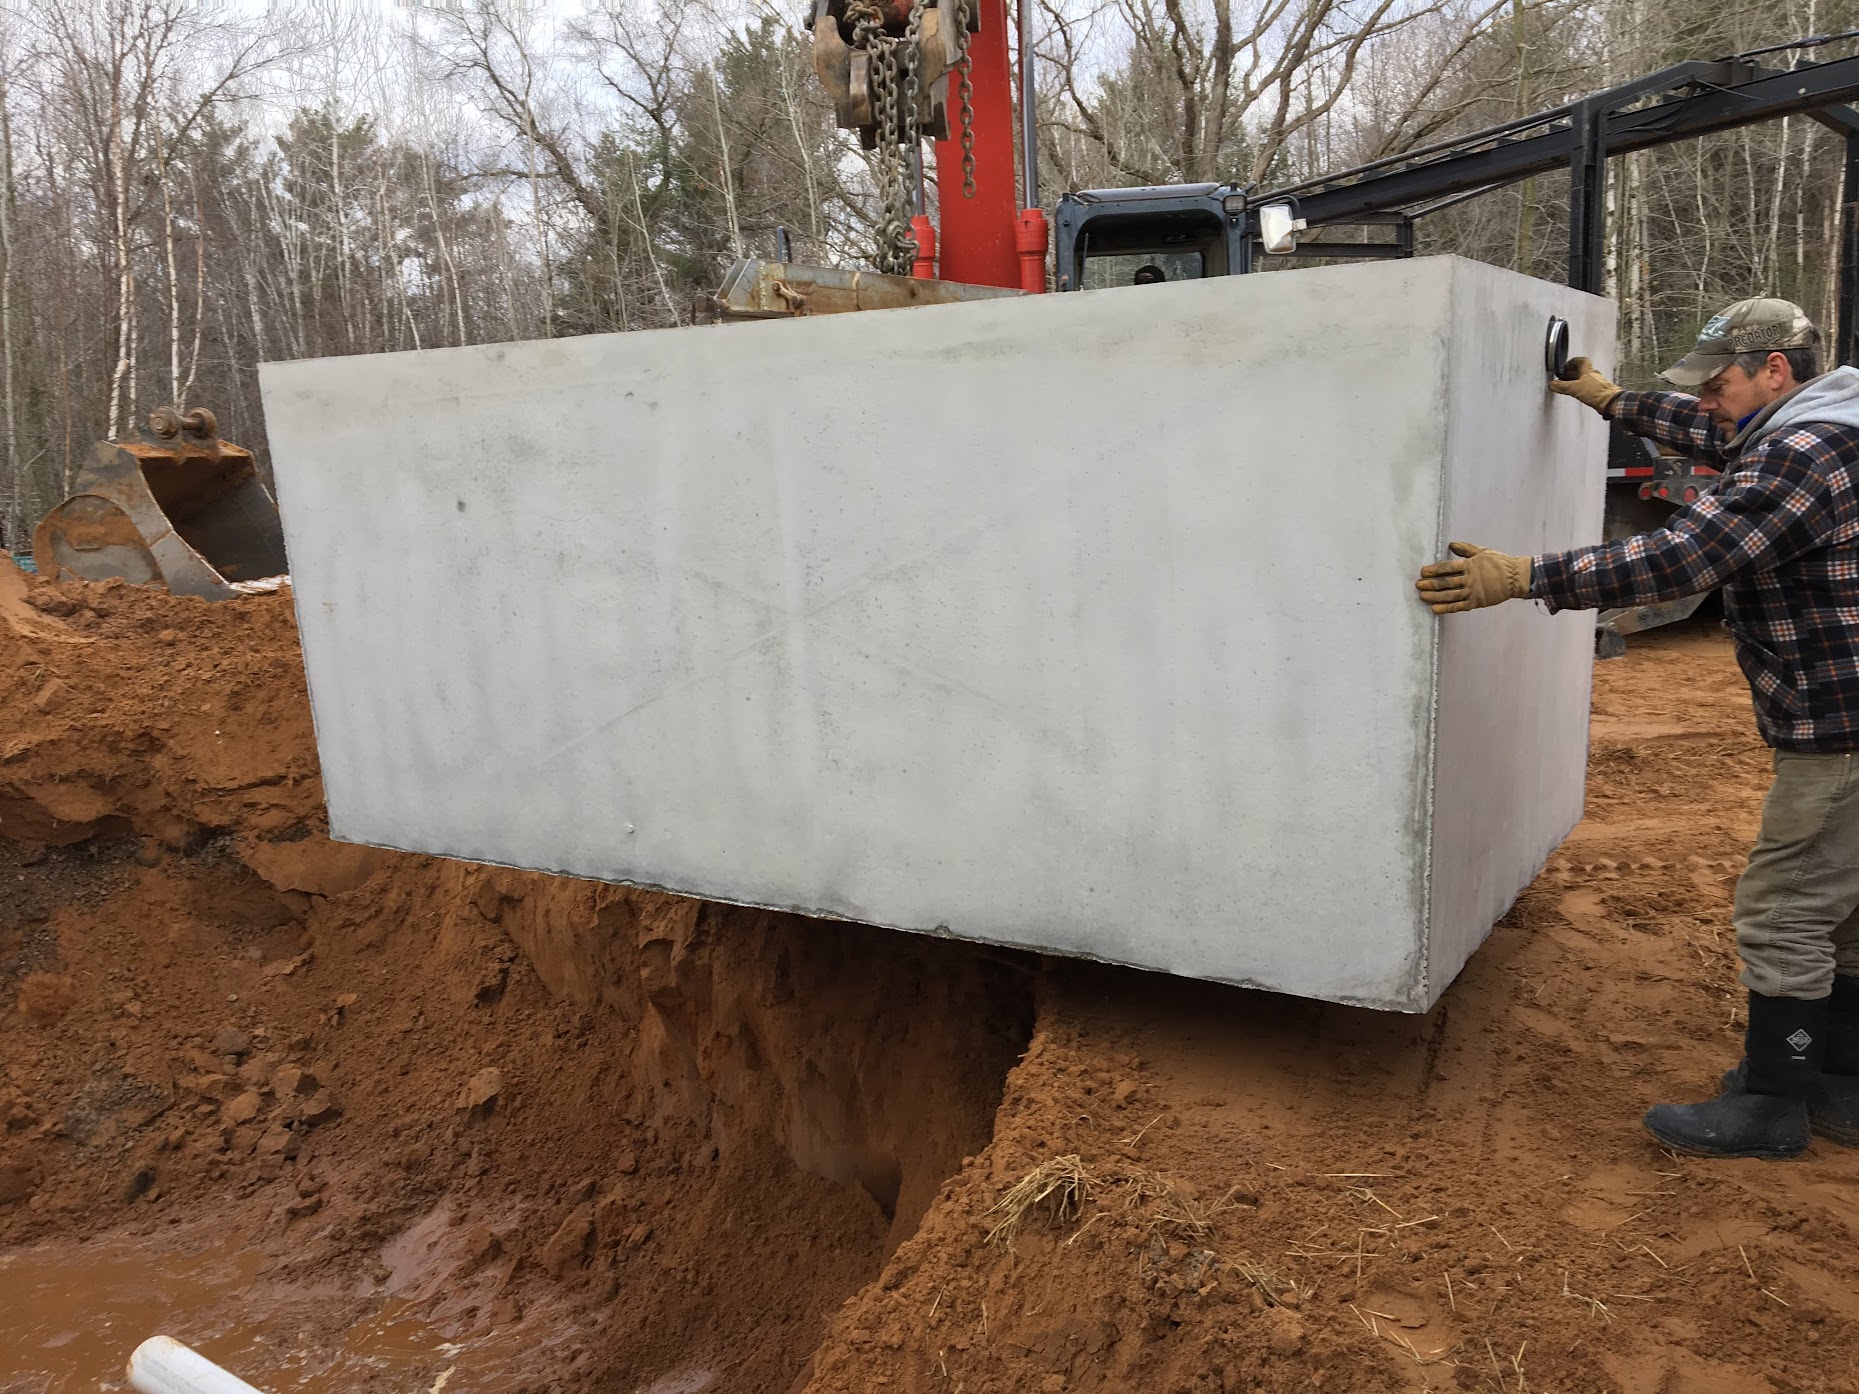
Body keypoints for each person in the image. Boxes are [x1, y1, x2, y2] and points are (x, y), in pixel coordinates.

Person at [1415, 297, 1859, 1160]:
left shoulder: (1803, 453)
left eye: (1720, 382)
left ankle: (1773, 1102)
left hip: (1839, 722)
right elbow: (1713, 432)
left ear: (1775, 370)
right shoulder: (1824, 421)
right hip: (1848, 710)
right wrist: (1612, 401)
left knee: (1786, 910)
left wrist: (1525, 575)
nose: (1706, 401)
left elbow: (1683, 555)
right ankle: (1838, 1083)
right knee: (1842, 912)